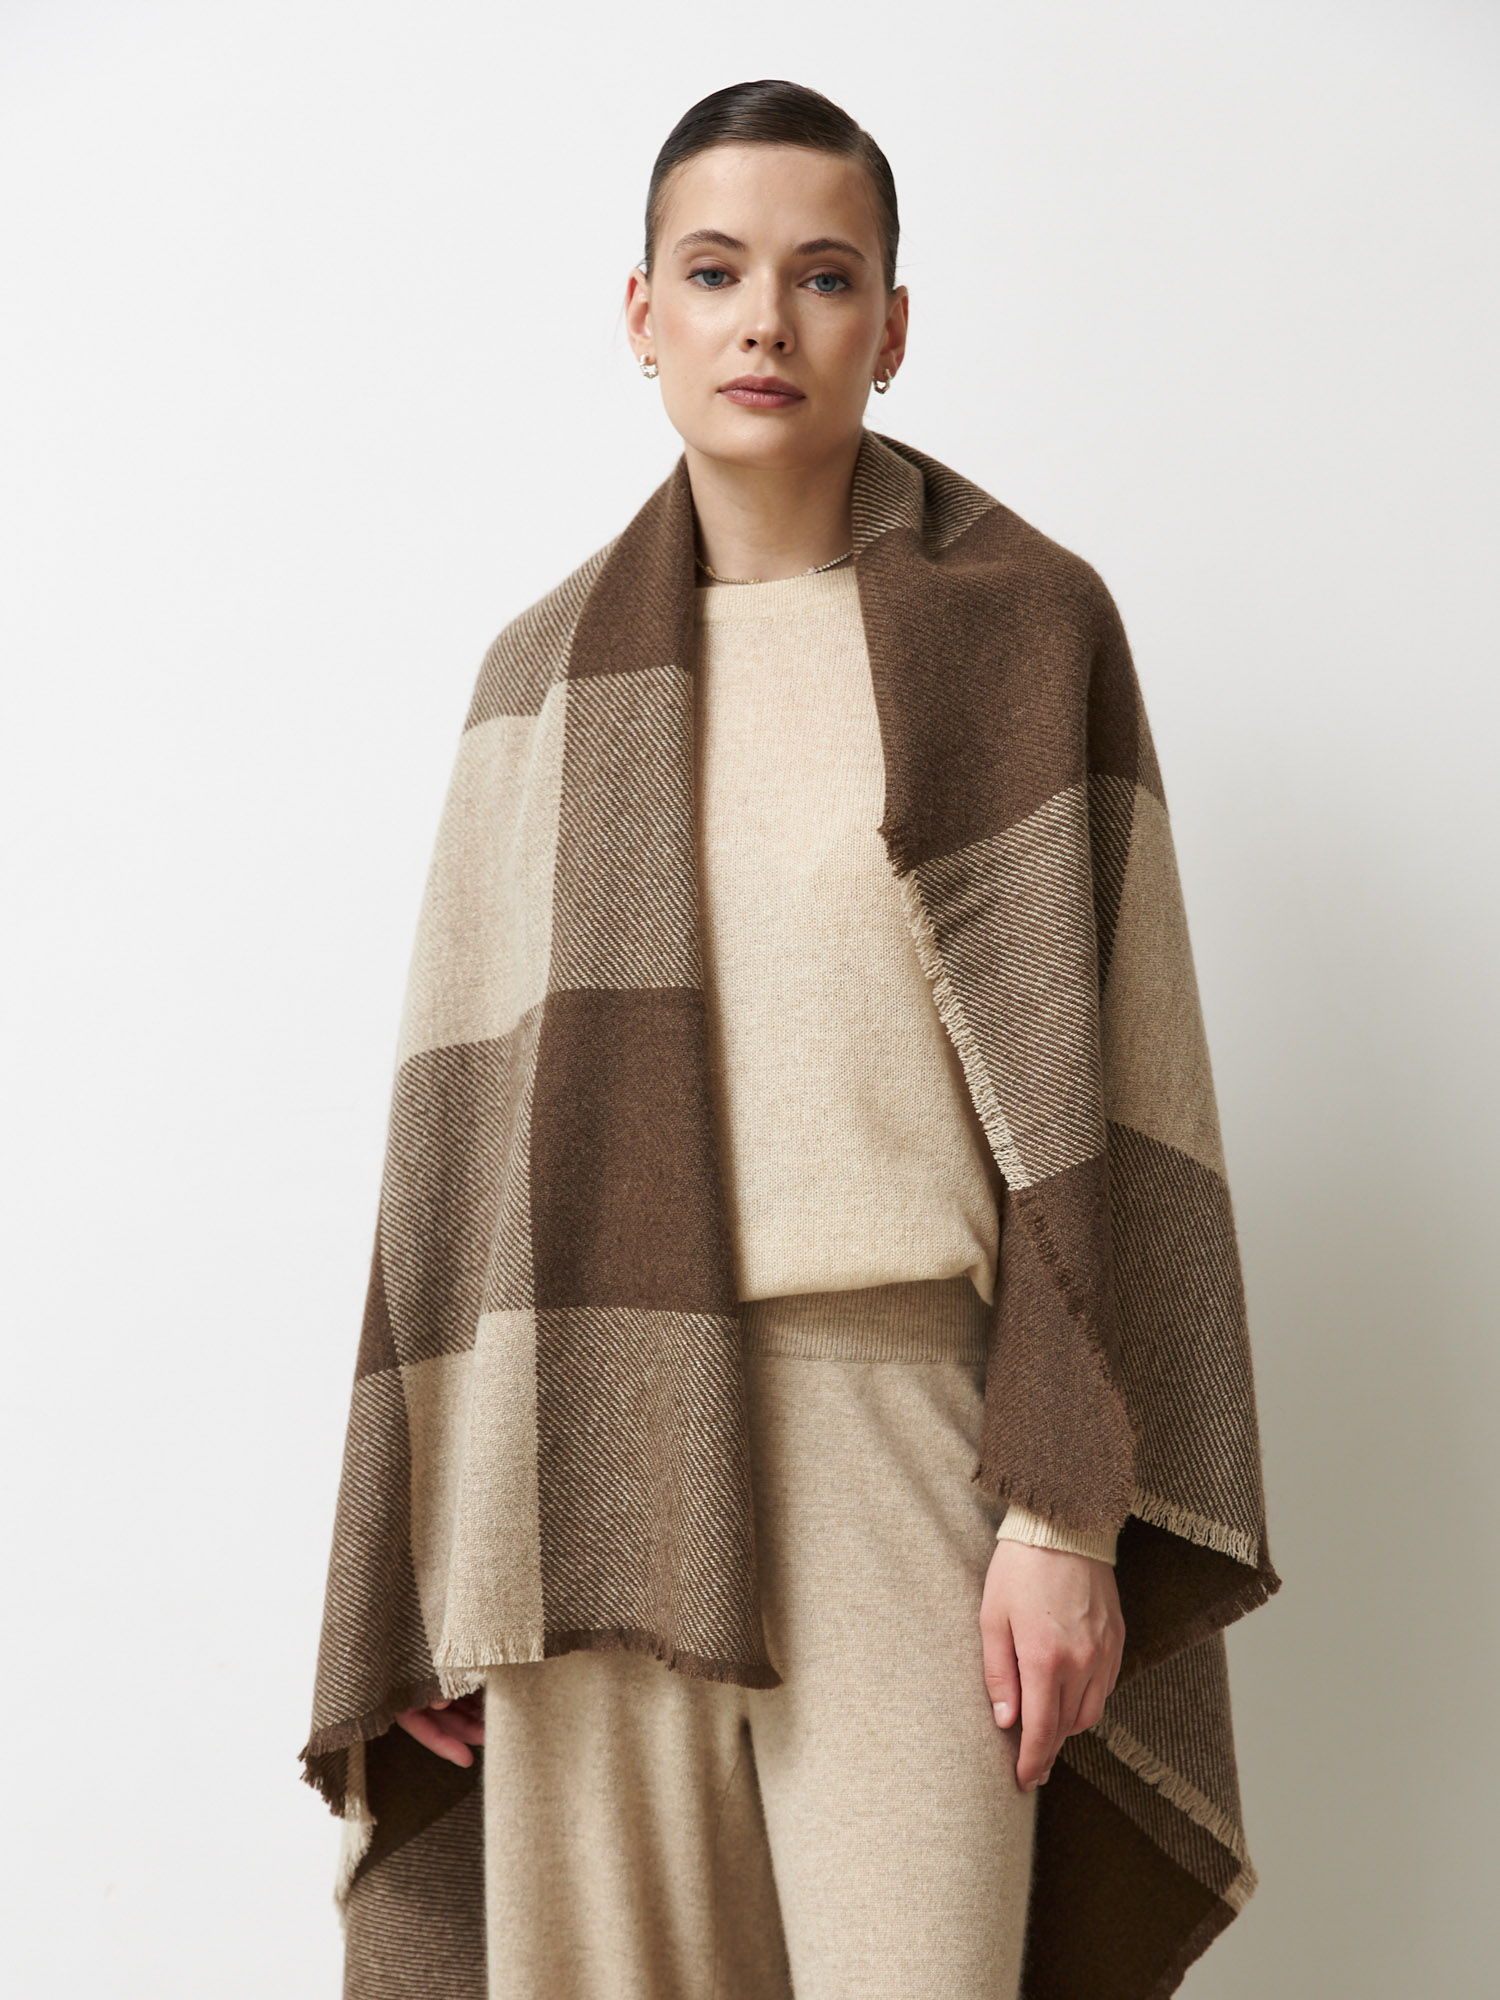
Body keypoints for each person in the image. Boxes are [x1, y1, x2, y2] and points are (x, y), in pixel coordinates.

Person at [301, 79, 1279, 2000]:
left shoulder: (1027, 635)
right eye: (716, 272)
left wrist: (1066, 1511)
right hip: (577, 1436)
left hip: (906, 1431)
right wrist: (424, 1567)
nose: (766, 320)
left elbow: (1122, 1084)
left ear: (891, 326)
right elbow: (453, 1160)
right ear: (642, 313)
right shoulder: (538, 681)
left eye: (825, 277)